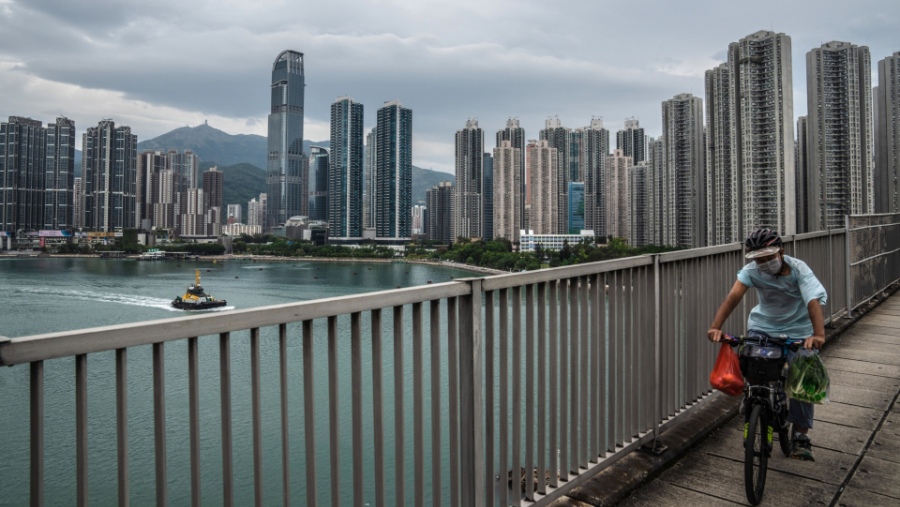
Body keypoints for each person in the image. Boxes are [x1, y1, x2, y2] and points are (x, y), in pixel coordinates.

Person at [707, 228, 827, 461]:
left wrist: (818, 335)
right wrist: (715, 327)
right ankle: (754, 398)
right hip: (763, 326)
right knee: (752, 364)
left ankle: (801, 436)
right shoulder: (752, 271)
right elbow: (732, 298)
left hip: (798, 331)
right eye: (758, 259)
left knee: (804, 381)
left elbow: (812, 301)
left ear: (781, 252)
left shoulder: (799, 270)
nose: (763, 263)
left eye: (768, 258)